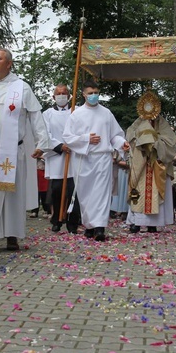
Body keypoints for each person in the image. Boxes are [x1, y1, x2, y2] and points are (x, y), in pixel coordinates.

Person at [0, 48, 49, 251]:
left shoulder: (21, 87)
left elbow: (35, 116)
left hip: (13, 150)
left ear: (9, 63)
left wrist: (42, 143)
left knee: (13, 194)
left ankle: (12, 235)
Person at [63, 79, 130, 241]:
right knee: (86, 195)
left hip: (102, 158)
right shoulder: (76, 114)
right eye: (90, 93)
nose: (93, 96)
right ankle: (89, 226)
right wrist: (86, 139)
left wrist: (123, 144)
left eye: (96, 93)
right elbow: (67, 137)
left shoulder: (106, 113)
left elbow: (115, 135)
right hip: (83, 159)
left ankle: (100, 227)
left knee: (101, 193)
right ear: (84, 94)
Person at [125, 91, 176, 233]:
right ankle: (135, 222)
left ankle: (153, 224)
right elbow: (130, 135)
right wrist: (142, 140)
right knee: (138, 192)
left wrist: (156, 143)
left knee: (155, 194)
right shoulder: (138, 122)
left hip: (157, 165)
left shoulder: (163, 124)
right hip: (140, 165)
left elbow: (171, 143)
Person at [42, 84, 81, 233]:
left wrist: (72, 143)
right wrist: (60, 146)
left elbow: (81, 130)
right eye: (58, 93)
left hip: (74, 155)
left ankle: (73, 222)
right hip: (57, 156)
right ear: (53, 97)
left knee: (73, 190)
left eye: (64, 93)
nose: (61, 95)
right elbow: (45, 133)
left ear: (69, 96)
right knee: (57, 189)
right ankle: (57, 219)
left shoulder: (76, 111)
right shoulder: (47, 114)